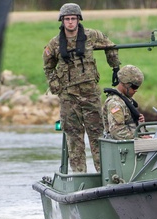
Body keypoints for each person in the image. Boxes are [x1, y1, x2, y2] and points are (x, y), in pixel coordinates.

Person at [44, 3, 120, 173]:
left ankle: (104, 173)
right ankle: (79, 176)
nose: (70, 22)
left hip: (90, 94)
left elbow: (111, 46)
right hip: (68, 96)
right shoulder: (55, 43)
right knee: (74, 137)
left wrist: (115, 67)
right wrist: (56, 85)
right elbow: (48, 67)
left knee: (96, 134)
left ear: (78, 20)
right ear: (62, 21)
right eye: (67, 19)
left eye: (73, 19)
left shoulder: (91, 36)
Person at [103, 64, 145, 140]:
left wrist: (139, 122)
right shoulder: (115, 103)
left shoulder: (126, 101)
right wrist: (139, 138)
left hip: (134, 144)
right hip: (122, 148)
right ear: (124, 84)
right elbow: (117, 131)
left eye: (138, 87)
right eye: (134, 87)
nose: (136, 90)